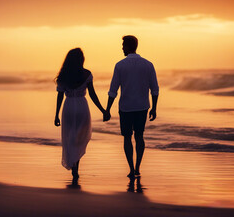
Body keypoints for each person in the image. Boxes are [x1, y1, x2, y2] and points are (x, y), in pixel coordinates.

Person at [104, 35, 159, 178]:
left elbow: (113, 91)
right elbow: (155, 89)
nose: (122, 48)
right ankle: (138, 167)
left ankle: (131, 169)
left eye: (123, 45)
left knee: (127, 137)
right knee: (139, 136)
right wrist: (154, 108)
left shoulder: (120, 65)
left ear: (128, 46)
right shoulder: (148, 64)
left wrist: (108, 109)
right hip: (142, 106)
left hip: (126, 107)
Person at [54, 48, 106, 184]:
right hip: (82, 106)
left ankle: (73, 165)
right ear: (81, 59)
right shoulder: (87, 74)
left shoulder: (63, 76)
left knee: (70, 136)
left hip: (69, 106)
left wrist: (56, 115)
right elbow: (93, 94)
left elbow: (60, 96)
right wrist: (103, 110)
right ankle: (76, 164)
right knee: (80, 137)